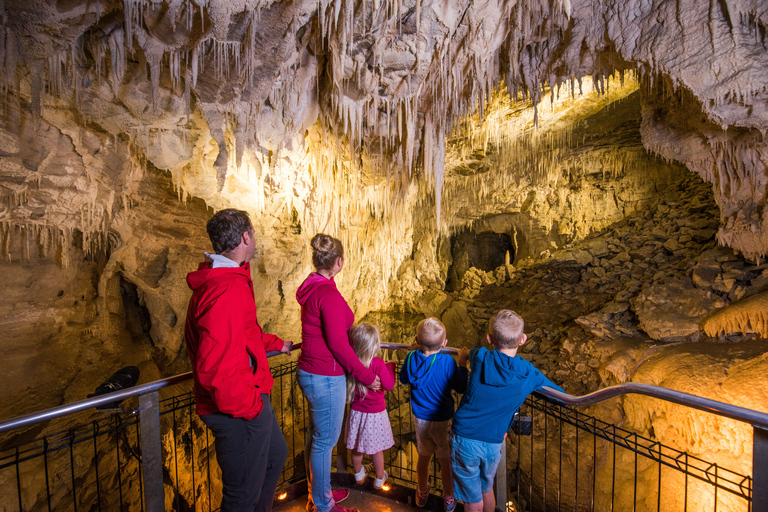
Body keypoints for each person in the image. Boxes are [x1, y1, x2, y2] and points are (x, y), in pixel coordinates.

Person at [184, 208, 292, 512]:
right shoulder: (226, 289)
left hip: (248, 398)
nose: (255, 239)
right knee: (241, 494)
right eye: (254, 233)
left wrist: (275, 344)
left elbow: (244, 332)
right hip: (239, 409)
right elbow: (216, 366)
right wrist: (252, 409)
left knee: (274, 457)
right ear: (246, 237)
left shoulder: (229, 280)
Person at [296, 233, 381, 512]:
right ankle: (323, 505)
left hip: (311, 371)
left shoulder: (314, 286)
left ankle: (318, 493)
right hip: (325, 376)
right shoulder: (327, 294)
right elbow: (339, 345)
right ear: (339, 262)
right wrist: (366, 376)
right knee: (324, 442)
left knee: (316, 437)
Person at [451, 310, 565, 512]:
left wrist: (463, 356)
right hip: (493, 443)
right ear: (523, 339)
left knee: (472, 497)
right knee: (487, 488)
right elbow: (560, 397)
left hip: (466, 438)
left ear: (490, 339)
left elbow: (472, 352)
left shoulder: (480, 357)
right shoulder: (528, 373)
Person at [400, 317, 469, 512]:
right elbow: (461, 386)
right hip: (442, 419)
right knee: (445, 459)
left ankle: (422, 491)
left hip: (420, 418)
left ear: (417, 340)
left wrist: (414, 351)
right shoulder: (447, 361)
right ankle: (448, 497)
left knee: (424, 456)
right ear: (445, 343)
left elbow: (404, 378)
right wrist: (462, 362)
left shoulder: (411, 357)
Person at [344, 323, 396, 489]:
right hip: (375, 414)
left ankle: (358, 474)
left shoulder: (352, 363)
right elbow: (388, 385)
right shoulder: (378, 363)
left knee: (357, 447)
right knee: (377, 449)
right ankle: (380, 478)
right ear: (373, 344)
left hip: (356, 412)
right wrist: (391, 367)